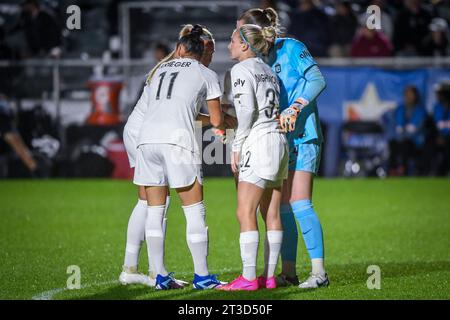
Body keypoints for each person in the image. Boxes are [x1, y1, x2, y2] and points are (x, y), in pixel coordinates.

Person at [119, 25, 219, 287]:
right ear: (200, 51)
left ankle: (158, 274)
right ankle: (203, 277)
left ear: (180, 49)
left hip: (147, 138)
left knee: (153, 207)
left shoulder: (159, 70)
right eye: (208, 50)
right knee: (193, 207)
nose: (210, 55)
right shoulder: (205, 73)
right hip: (169, 138)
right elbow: (215, 119)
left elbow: (168, 108)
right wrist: (227, 121)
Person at [237, 7, 328, 289]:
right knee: (283, 209)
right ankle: (288, 273)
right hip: (279, 140)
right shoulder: (257, 61)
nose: (238, 35)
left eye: (240, 29)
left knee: (300, 202)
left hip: (304, 134)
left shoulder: (292, 47)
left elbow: (317, 80)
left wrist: (296, 107)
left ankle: (319, 273)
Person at [218, 24, 288, 291]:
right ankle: (269, 277)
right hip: (278, 141)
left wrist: (237, 145)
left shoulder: (241, 70)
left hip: (258, 142)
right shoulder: (268, 70)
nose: (229, 45)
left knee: (244, 211)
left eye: (233, 40)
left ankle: (248, 278)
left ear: (245, 45)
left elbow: (246, 112)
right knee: (271, 213)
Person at [388, 86, 427, 176]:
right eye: (406, 94)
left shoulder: (420, 111)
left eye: (410, 94)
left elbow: (417, 129)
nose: (408, 96)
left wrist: (404, 136)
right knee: (392, 143)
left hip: (414, 142)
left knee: (405, 144)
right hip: (399, 140)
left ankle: (403, 169)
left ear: (415, 96)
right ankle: (392, 169)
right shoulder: (400, 109)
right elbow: (394, 126)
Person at [432, 82, 450, 175]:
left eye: (440, 93)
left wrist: (445, 136)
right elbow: (437, 125)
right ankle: (435, 171)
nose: (438, 96)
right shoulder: (437, 107)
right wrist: (440, 136)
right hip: (439, 136)